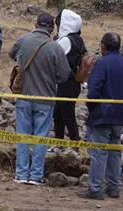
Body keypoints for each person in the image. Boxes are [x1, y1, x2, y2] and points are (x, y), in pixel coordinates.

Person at [8, 12, 68, 185]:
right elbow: (63, 76)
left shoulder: (23, 39)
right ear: (51, 28)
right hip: (45, 99)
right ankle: (35, 175)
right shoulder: (55, 47)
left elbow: (12, 54)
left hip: (24, 96)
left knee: (23, 136)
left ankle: (20, 173)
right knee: (40, 137)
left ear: (35, 24)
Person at [78, 31, 123, 201]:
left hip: (102, 114)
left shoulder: (101, 64)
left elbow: (94, 90)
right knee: (114, 151)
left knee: (99, 152)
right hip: (120, 113)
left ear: (103, 46)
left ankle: (95, 188)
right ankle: (114, 187)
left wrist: (91, 107)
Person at [53, 7, 84, 141]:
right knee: (58, 114)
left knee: (67, 116)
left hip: (66, 83)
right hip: (73, 84)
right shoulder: (78, 39)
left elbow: (53, 54)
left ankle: (75, 145)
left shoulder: (66, 40)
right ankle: (60, 144)